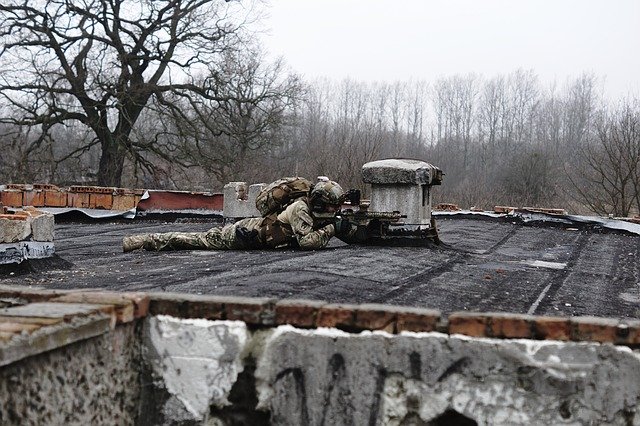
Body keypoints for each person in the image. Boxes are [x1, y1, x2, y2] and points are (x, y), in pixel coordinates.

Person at [122, 179, 351, 252]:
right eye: (332, 207)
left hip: (252, 231)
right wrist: (334, 228)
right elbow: (307, 242)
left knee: (198, 238)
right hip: (243, 234)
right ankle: (143, 241)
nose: (334, 211)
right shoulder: (301, 209)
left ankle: (146, 240)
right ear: (320, 202)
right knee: (194, 239)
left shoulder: (309, 208)